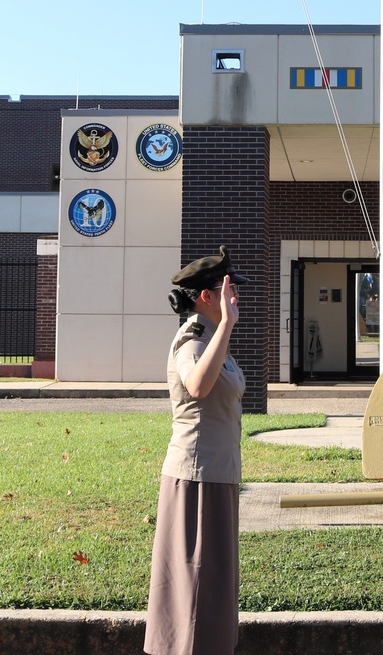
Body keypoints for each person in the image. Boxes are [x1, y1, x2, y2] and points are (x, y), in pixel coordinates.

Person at [144, 246, 247, 655]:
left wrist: (225, 331)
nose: (234, 298)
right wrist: (226, 327)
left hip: (218, 474)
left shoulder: (213, 340)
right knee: (194, 580)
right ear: (207, 296)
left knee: (213, 583)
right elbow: (198, 387)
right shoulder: (191, 341)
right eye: (228, 290)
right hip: (196, 478)